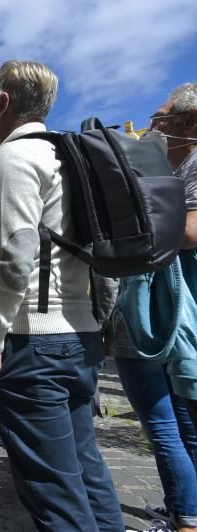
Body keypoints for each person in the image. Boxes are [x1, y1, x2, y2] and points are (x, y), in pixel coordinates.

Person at [0, 60, 123, 530]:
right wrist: (100, 321)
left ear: (2, 102)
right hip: (82, 336)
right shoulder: (74, 158)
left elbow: (15, 254)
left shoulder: (13, 157)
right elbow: (109, 257)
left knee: (53, 493)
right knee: (87, 469)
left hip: (33, 341)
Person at [134, 82, 197, 531]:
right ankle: (185, 511)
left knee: (184, 426)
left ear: (188, 123)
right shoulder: (174, 171)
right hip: (169, 311)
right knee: (178, 421)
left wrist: (137, 225)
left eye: (159, 118)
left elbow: (191, 233)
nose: (153, 126)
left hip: (187, 311)